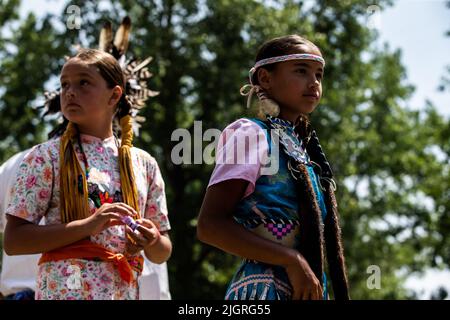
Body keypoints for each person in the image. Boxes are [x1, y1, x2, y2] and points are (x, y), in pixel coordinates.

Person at [3, 48, 172, 300]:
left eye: (84, 83)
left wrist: (151, 239)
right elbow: (14, 241)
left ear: (114, 95)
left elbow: (162, 252)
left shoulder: (143, 164)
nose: (70, 92)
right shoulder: (45, 157)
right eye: (64, 85)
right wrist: (89, 225)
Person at [197, 35, 350, 300]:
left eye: (318, 74)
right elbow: (210, 225)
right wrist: (291, 260)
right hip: (262, 291)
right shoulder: (251, 134)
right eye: (301, 71)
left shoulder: (305, 152)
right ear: (265, 79)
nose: (313, 82)